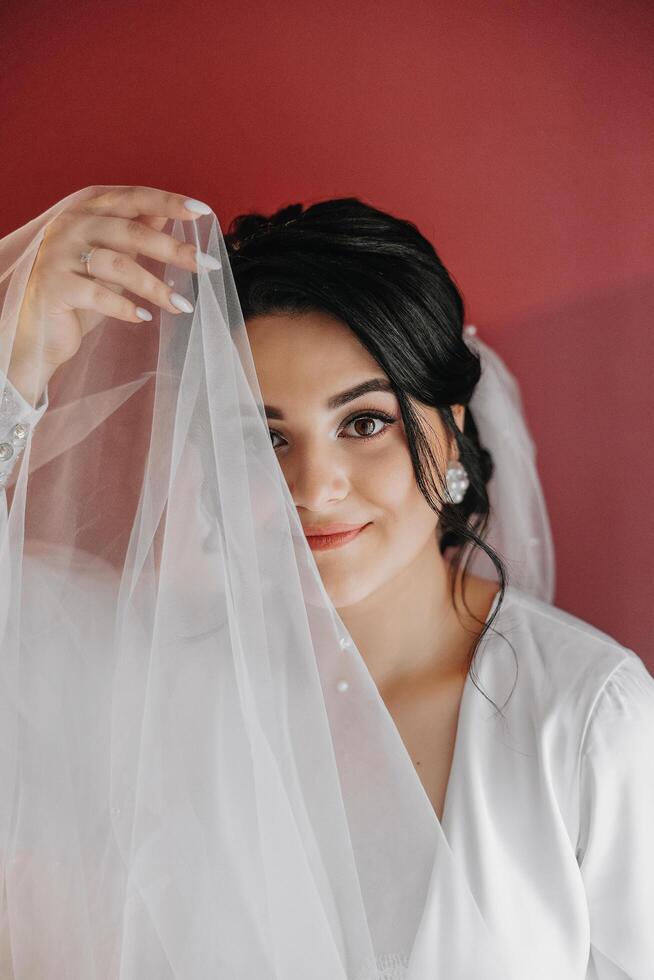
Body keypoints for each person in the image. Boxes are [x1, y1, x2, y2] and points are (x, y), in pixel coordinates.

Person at [0, 184, 652, 979]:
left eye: (364, 422)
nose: (314, 486)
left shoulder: (588, 719)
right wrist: (13, 361)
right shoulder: (155, 692)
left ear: (449, 435)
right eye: (265, 437)